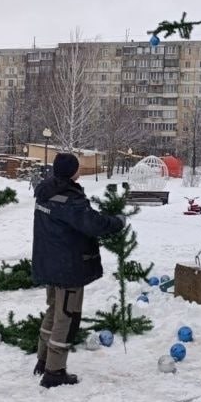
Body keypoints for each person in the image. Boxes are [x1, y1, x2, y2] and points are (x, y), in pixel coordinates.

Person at [32, 153, 126, 389]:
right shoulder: (68, 199)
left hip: (50, 262)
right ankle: (55, 372)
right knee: (67, 316)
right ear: (70, 171)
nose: (81, 170)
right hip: (68, 266)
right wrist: (117, 221)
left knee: (53, 310)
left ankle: (43, 360)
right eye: (77, 167)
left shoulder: (46, 192)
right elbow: (91, 223)